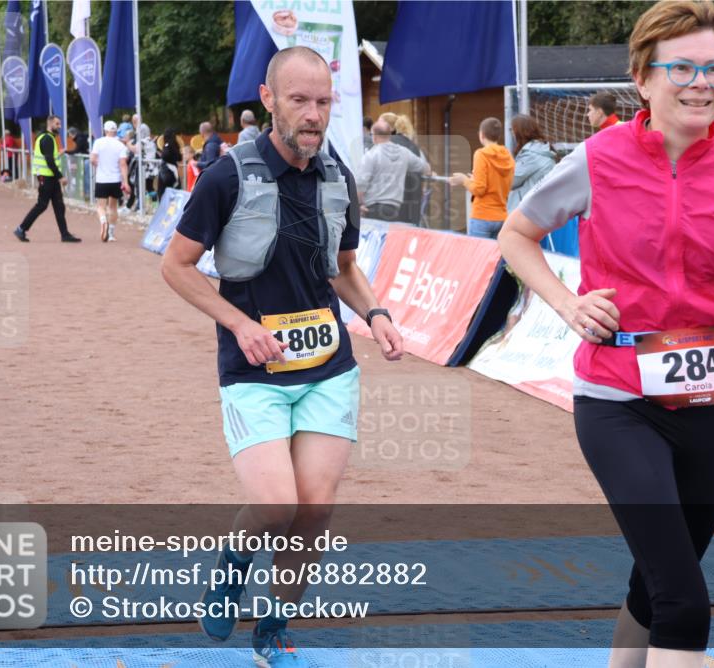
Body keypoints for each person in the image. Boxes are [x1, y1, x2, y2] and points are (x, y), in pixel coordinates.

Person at [497, 3, 714, 667]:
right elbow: (516, 235)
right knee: (685, 598)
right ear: (643, 78)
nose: (702, 83)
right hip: (618, 404)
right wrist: (567, 305)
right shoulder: (599, 158)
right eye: (682, 67)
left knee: (654, 586)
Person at [161, 46, 403, 667]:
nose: (313, 114)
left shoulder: (338, 179)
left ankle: (274, 629)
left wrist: (375, 314)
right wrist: (240, 324)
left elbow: (345, 269)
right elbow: (177, 265)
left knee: (313, 511)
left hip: (327, 367)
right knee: (277, 505)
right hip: (254, 373)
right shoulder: (226, 176)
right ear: (268, 100)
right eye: (299, 100)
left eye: (323, 101)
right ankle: (232, 566)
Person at [13, 114, 81, 243]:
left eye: (59, 124)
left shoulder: (46, 137)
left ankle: (65, 234)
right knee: (42, 205)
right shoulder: (47, 138)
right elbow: (49, 160)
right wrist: (60, 177)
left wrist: (58, 155)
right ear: (50, 124)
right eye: (57, 124)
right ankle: (21, 229)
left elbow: (50, 157)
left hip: (50, 177)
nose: (59, 127)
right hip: (46, 177)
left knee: (59, 206)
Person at [449, 117, 515, 239]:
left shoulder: (481, 154)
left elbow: (479, 189)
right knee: (497, 257)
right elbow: (500, 183)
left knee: (478, 257)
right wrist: (474, 179)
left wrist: (464, 180)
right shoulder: (508, 157)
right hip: (502, 217)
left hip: (482, 217)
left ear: (481, 134)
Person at [357, 119, 430, 221]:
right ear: (390, 135)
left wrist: (359, 205)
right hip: (394, 210)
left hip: (372, 209)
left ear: (374, 136)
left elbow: (361, 183)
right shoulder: (404, 153)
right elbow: (425, 167)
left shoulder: (371, 155)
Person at [91, 120, 131, 242]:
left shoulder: (98, 142)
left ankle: (103, 221)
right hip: (115, 179)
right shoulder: (120, 145)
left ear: (105, 130)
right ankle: (111, 233)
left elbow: (93, 159)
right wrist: (126, 182)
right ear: (115, 131)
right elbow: (123, 164)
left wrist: (100, 165)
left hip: (102, 179)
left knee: (101, 206)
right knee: (113, 207)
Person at [506, 114, 556, 213]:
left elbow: (510, 181)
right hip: (539, 207)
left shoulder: (531, 155)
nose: (511, 133)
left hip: (526, 210)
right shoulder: (542, 149)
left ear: (521, 131)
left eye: (512, 129)